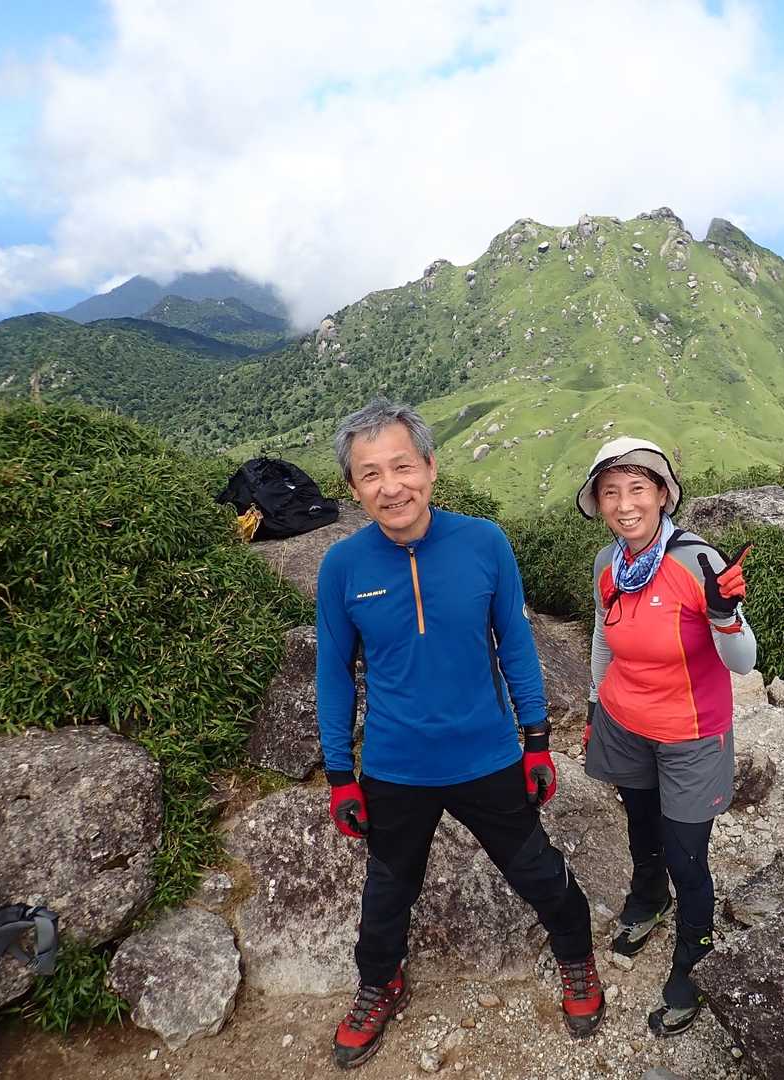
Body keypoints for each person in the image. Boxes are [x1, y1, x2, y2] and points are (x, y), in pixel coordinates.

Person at [316, 400, 605, 1069]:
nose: (391, 487)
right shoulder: (342, 566)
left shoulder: (484, 543)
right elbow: (333, 674)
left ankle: (576, 957)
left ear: (430, 467)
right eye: (370, 474)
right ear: (353, 488)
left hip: (487, 755)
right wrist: (339, 775)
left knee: (536, 870)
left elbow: (516, 645)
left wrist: (537, 741)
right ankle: (378, 983)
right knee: (387, 891)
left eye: (402, 467)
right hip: (394, 766)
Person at [576, 436, 756, 1037]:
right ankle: (649, 896)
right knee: (641, 824)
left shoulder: (698, 561)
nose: (624, 504)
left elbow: (743, 662)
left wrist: (724, 614)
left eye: (637, 489)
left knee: (687, 853)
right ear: (598, 504)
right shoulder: (607, 564)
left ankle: (694, 953)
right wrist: (596, 703)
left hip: (690, 732)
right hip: (625, 720)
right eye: (610, 493)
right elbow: (603, 634)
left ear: (662, 494)